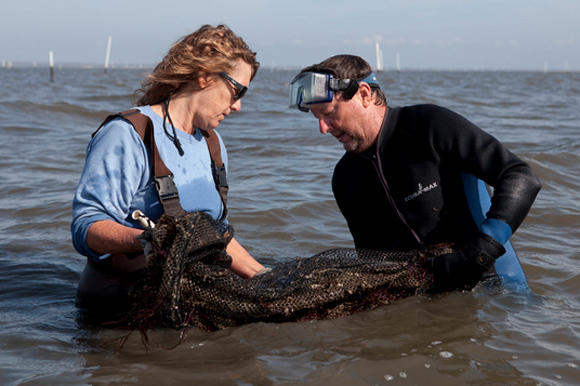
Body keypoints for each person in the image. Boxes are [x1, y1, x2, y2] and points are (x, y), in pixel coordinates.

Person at [289, 55, 541, 292]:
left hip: (492, 289)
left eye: (330, 113)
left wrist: (481, 253)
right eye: (317, 118)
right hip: (422, 302)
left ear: (364, 94)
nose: (322, 128)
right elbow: (371, 261)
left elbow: (520, 176)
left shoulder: (429, 126)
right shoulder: (344, 178)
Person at [72, 25, 265, 317]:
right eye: (237, 91)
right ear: (204, 76)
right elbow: (85, 227)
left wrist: (264, 277)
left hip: (192, 300)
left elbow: (216, 234)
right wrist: (149, 240)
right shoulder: (127, 134)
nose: (237, 106)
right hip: (121, 307)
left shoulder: (213, 144)